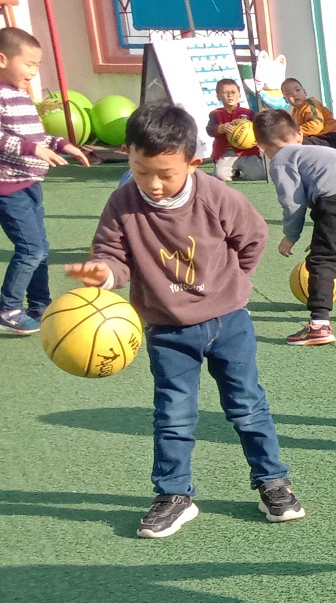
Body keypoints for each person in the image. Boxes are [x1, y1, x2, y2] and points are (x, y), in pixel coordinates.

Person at [66, 105, 304, 538]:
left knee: (248, 405)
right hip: (167, 331)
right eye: (141, 171)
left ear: (193, 162)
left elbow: (252, 236)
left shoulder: (216, 195)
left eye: (166, 174)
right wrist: (103, 273)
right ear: (128, 154)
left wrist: (234, 282)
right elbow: (113, 256)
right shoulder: (122, 203)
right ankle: (174, 495)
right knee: (173, 415)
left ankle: (272, 481)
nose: (153, 184)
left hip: (229, 322)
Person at [253, 109, 336, 346]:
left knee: (322, 259)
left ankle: (319, 325)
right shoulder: (317, 150)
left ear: (261, 147)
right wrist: (323, 233)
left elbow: (293, 202)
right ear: (299, 134)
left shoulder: (281, 159)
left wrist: (290, 235)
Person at [0, 28, 89, 336]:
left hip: (30, 184)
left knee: (41, 248)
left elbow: (35, 137)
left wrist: (62, 144)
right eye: (28, 64)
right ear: (2, 59)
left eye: (37, 65)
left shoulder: (20, 95)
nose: (34, 71)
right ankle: (9, 308)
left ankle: (40, 305)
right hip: (8, 188)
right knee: (30, 249)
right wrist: (34, 149)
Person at [205, 78, 262, 182]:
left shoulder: (248, 113)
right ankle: (233, 172)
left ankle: (238, 170)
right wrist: (221, 128)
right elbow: (210, 130)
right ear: (218, 96)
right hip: (226, 153)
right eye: (225, 93)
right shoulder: (216, 114)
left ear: (239, 95)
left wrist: (257, 138)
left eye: (233, 92)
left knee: (258, 175)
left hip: (247, 152)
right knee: (221, 177)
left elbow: (258, 128)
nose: (229, 95)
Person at [281, 77, 336, 153]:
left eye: (297, 90)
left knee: (295, 141)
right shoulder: (294, 114)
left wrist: (294, 133)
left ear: (305, 92)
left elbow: (315, 126)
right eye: (289, 93)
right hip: (318, 140)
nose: (294, 94)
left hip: (331, 141)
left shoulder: (310, 104)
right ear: (285, 99)